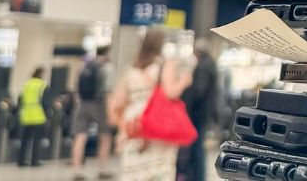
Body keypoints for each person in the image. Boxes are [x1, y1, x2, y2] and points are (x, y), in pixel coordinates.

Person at [109, 28, 190, 181]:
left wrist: (121, 128)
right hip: (157, 121)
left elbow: (117, 101)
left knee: (134, 171)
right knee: (158, 171)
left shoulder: (130, 69)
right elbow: (170, 93)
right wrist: (184, 81)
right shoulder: (165, 64)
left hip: (133, 122)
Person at [178, 40, 220, 181]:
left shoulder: (203, 65)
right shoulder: (211, 64)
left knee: (196, 146)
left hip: (198, 113)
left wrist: (186, 95)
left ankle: (197, 176)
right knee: (198, 144)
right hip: (205, 112)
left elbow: (199, 90)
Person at [71, 47, 114, 181]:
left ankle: (77, 170)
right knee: (105, 137)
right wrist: (110, 111)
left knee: (80, 136)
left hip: (83, 104)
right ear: (107, 53)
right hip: (100, 104)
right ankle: (102, 169)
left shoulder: (85, 65)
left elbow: (76, 87)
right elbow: (108, 90)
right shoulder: (107, 67)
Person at [17, 66, 48, 168]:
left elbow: (20, 99)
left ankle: (21, 161)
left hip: (26, 115)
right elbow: (45, 102)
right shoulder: (42, 85)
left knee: (25, 140)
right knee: (36, 140)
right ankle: (34, 161)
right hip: (38, 115)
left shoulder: (27, 84)